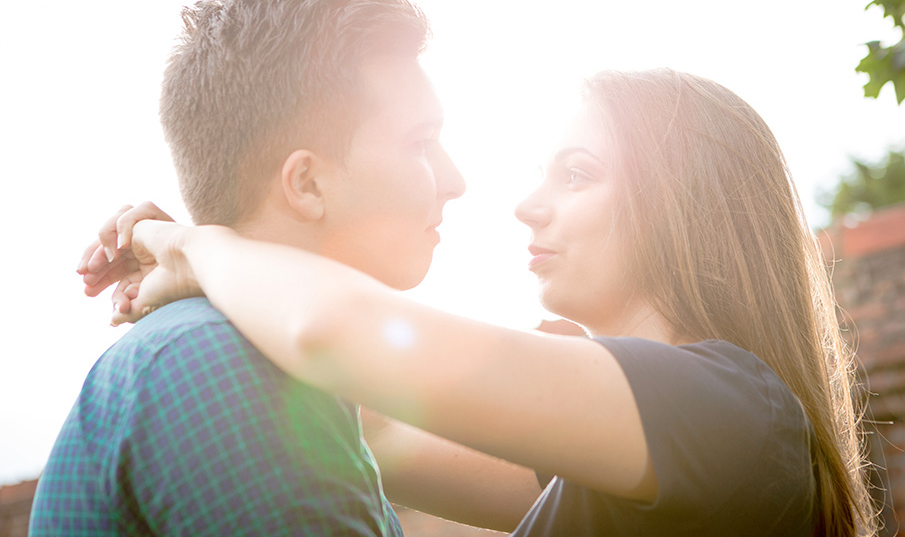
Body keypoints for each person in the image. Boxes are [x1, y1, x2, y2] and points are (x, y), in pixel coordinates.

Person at [82, 68, 880, 536]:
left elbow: (333, 332)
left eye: (575, 173)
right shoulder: (626, 458)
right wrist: (220, 282)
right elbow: (373, 429)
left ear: (686, 204)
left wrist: (200, 248)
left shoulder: (727, 412)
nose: (526, 204)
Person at [31, 0, 543, 536]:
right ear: (307, 184)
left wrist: (203, 259)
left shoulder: (265, 366)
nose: (455, 180)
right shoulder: (223, 368)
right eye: (420, 143)